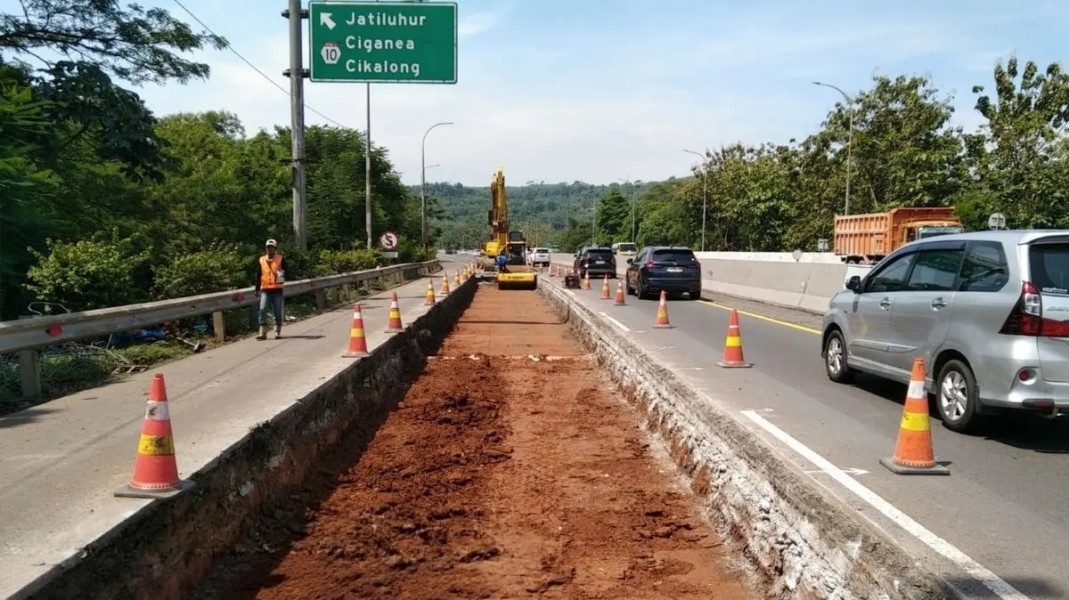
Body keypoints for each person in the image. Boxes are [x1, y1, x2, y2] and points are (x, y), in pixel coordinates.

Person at [254, 239, 287, 340]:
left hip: (277, 289)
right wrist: (257, 289)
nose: (269, 249)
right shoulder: (261, 259)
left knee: (277, 311)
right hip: (265, 289)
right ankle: (262, 332)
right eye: (268, 247)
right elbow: (259, 274)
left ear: (275, 248)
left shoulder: (280, 258)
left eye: (271, 247)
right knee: (262, 309)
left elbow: (287, 270)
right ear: (266, 248)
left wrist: (282, 274)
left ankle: (277, 331)